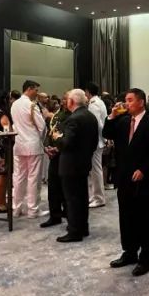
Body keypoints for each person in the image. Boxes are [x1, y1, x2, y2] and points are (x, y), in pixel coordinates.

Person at [104, 89, 149, 274]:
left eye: (130, 100)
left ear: (141, 102)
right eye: (126, 100)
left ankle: (146, 256)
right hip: (123, 176)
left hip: (140, 177)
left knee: (142, 216)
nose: (126, 103)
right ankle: (129, 251)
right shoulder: (122, 122)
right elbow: (107, 133)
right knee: (125, 215)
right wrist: (112, 116)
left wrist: (145, 170)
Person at [53, 88, 98, 242]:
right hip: (84, 162)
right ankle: (83, 227)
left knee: (72, 199)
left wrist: (57, 138)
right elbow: (93, 142)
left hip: (71, 164)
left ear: (71, 101)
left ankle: (74, 231)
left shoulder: (74, 118)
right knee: (82, 197)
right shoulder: (90, 116)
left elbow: (67, 143)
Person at [11, 81, 46, 218]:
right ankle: (33, 210)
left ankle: (16, 208)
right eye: (36, 90)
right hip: (33, 145)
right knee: (33, 178)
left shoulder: (14, 104)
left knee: (19, 177)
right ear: (29, 89)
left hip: (19, 144)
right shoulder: (31, 105)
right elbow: (42, 126)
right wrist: (42, 140)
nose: (37, 93)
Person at [41, 91, 71, 229]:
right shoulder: (58, 114)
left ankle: (69, 216)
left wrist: (58, 149)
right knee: (53, 187)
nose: (63, 101)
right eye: (63, 99)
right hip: (54, 154)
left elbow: (70, 137)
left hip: (66, 154)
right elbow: (51, 131)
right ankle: (55, 215)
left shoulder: (73, 115)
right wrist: (47, 147)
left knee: (66, 188)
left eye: (66, 99)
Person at [84, 82, 108, 209]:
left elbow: (96, 124)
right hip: (99, 139)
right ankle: (95, 195)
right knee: (94, 170)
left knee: (95, 170)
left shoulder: (93, 104)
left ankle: (98, 198)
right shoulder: (99, 101)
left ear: (88, 92)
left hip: (96, 141)